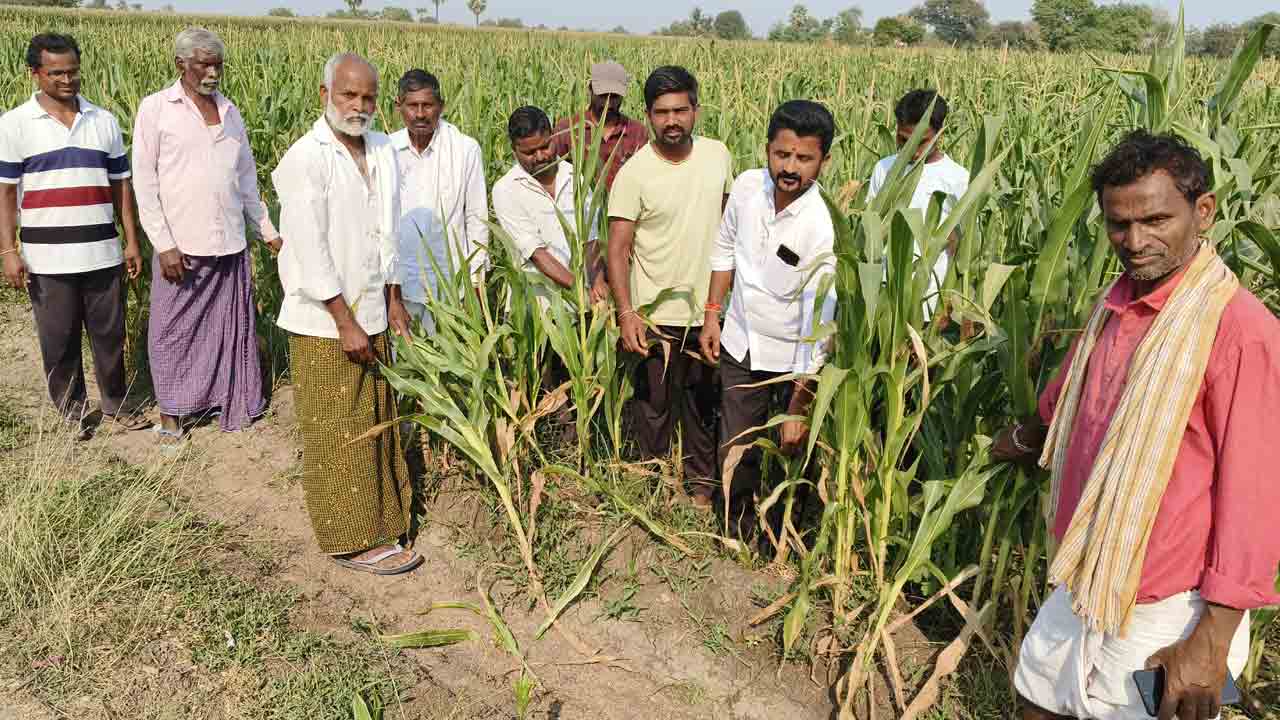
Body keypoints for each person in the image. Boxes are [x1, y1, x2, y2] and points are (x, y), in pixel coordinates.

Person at [993, 131, 1280, 720]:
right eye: (1118, 225)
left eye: (1155, 219)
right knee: (1035, 701)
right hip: (1087, 571)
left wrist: (1211, 641)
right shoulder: (1117, 302)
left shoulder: (1237, 330)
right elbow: (1074, 401)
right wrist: (1028, 435)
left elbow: (1256, 497)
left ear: (1203, 212)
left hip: (1166, 603)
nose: (1136, 241)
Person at [272, 53, 421, 576]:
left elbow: (390, 233)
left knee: (375, 416)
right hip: (324, 321)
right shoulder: (304, 160)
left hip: (374, 310)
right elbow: (310, 249)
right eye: (348, 96)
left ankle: (384, 521)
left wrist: (394, 298)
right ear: (325, 95)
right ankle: (350, 539)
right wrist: (343, 319)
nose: (359, 107)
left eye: (368, 98)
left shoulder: (382, 149)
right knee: (337, 427)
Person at [132, 27, 281, 440]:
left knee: (225, 332)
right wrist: (164, 245)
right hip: (181, 247)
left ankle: (221, 403)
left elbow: (246, 179)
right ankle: (172, 417)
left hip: (230, 244)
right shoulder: (156, 109)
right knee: (171, 334)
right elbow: (144, 182)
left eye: (218, 64)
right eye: (203, 64)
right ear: (181, 65)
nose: (212, 72)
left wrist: (267, 230)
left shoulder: (231, 112)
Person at [0, 33, 148, 439]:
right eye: (56, 73)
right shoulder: (14, 124)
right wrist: (8, 251)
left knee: (110, 336)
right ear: (34, 74)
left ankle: (116, 404)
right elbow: (6, 194)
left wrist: (131, 240)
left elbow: (121, 185)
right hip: (47, 258)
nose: (67, 80)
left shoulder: (104, 120)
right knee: (58, 338)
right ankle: (74, 414)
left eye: (73, 72)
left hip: (102, 250)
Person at [699, 100, 836, 510]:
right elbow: (723, 250)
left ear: (823, 162)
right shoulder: (745, 188)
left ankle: (780, 540)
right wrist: (711, 315)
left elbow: (822, 322)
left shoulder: (824, 223)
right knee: (738, 445)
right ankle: (735, 535)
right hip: (740, 343)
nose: (790, 167)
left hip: (792, 361)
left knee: (789, 454)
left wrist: (799, 404)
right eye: (782, 154)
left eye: (804, 158)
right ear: (767, 151)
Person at [607, 66, 733, 499]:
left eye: (681, 110)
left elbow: (727, 229)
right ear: (649, 114)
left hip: (707, 313)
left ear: (696, 110)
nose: (672, 120)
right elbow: (618, 248)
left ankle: (700, 494)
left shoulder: (718, 156)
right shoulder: (634, 173)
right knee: (653, 411)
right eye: (662, 112)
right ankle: (650, 495)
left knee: (703, 409)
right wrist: (627, 312)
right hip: (654, 315)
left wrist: (718, 305)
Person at [391, 69, 487, 332]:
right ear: (399, 106)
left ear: (441, 106)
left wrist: (476, 286)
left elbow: (477, 220)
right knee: (407, 365)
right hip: (402, 287)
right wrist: (390, 295)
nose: (420, 114)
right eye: (412, 106)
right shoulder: (385, 151)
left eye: (428, 105)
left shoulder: (465, 150)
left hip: (452, 287)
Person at [866, 89, 969, 318]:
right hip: (883, 297)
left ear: (940, 134)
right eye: (903, 139)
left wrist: (949, 303)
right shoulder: (884, 169)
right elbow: (871, 228)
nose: (911, 150)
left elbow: (959, 246)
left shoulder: (957, 178)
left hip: (930, 302)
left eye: (920, 142)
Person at [492, 105, 604, 305]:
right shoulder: (506, 190)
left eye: (545, 146)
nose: (540, 156)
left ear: (553, 136)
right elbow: (536, 254)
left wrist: (597, 282)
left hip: (587, 306)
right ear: (514, 149)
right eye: (529, 152)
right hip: (539, 310)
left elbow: (591, 240)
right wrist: (581, 291)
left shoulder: (575, 177)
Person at [550, 61, 648, 192]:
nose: (608, 103)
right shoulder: (567, 130)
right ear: (590, 89)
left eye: (614, 96)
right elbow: (550, 174)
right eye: (602, 96)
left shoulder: (637, 132)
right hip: (581, 210)